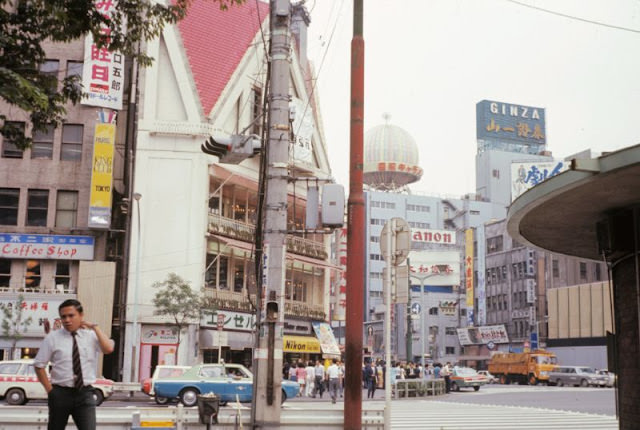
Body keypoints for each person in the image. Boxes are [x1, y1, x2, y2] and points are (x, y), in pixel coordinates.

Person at [34, 299, 114, 430]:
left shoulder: (91, 336)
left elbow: (108, 349)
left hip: (85, 394)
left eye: (71, 315)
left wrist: (95, 327)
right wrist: (51, 391)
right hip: (60, 393)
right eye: (63, 317)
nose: (67, 320)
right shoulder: (52, 338)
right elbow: (39, 365)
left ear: (81, 316)